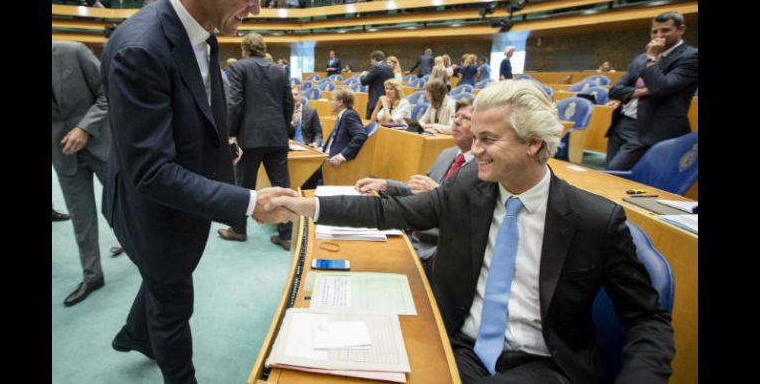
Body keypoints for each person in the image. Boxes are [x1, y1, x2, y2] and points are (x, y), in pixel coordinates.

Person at [270, 80, 675, 384]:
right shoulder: (470, 186)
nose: (473, 149)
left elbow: (648, 319)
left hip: (542, 365)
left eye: (488, 139)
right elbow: (396, 210)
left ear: (533, 143)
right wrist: (309, 206)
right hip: (459, 346)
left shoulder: (595, 220)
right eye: (475, 137)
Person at [100, 0, 297, 383]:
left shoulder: (204, 32)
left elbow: (196, 112)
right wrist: (249, 201)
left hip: (184, 200)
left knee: (161, 282)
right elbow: (151, 172)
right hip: (152, 210)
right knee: (174, 302)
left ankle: (134, 333)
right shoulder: (141, 49)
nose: (256, 9)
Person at [355, 97, 475, 281]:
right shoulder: (447, 154)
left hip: (435, 251)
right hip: (410, 234)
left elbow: (468, 222)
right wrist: (386, 184)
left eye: (466, 118)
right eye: (455, 116)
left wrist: (438, 193)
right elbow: (417, 190)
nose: (456, 121)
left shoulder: (481, 170)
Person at [52, 40, 113, 306]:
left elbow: (107, 94)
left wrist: (84, 128)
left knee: (120, 207)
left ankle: (145, 256)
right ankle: (93, 275)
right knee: (81, 219)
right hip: (62, 154)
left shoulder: (73, 51)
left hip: (99, 144)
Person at [219, 32, 294, 246]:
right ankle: (286, 235)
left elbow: (235, 103)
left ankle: (238, 229)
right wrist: (281, 126)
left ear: (244, 49)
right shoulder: (280, 70)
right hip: (277, 137)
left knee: (243, 186)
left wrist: (230, 133)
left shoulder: (239, 67)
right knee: (282, 186)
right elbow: (288, 103)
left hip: (249, 137)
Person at [605, 11, 698, 170]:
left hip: (650, 128)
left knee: (613, 173)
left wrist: (652, 58)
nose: (658, 35)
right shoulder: (640, 58)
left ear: (681, 29)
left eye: (665, 30)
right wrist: (641, 92)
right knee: (606, 173)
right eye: (655, 31)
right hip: (622, 123)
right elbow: (614, 91)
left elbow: (660, 88)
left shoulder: (691, 56)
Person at [322, 88, 368, 169]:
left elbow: (361, 135)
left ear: (340, 102)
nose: (330, 102)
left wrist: (342, 156)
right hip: (328, 156)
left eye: (332, 100)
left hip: (335, 162)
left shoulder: (349, 115)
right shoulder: (343, 114)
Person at [359, 49, 394, 119]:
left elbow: (364, 81)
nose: (371, 63)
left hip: (375, 100)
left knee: (371, 121)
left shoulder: (376, 67)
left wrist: (362, 75)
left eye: (371, 60)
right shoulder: (388, 68)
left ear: (374, 59)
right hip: (387, 99)